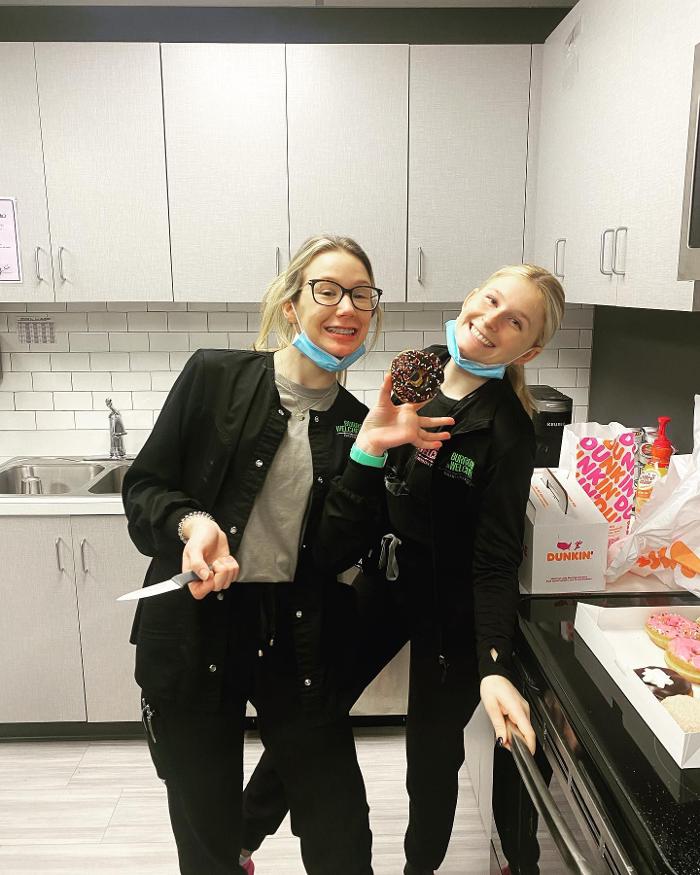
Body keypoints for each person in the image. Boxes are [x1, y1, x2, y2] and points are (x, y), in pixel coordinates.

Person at [121, 233, 452, 875]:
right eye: (327, 290)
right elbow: (145, 488)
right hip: (196, 628)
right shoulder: (216, 377)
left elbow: (328, 552)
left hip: (297, 634)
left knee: (340, 832)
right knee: (208, 838)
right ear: (292, 304)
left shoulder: (361, 423)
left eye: (361, 294)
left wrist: (368, 455)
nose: (346, 306)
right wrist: (193, 524)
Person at [240, 263, 566, 875]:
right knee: (314, 709)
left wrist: (494, 665)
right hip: (386, 579)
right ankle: (241, 839)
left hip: (452, 610)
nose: (491, 321)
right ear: (469, 296)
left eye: (515, 321)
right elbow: (372, 468)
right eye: (490, 301)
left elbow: (496, 557)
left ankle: (420, 869)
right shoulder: (417, 374)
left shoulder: (509, 431)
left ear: (529, 349)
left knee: (431, 760)